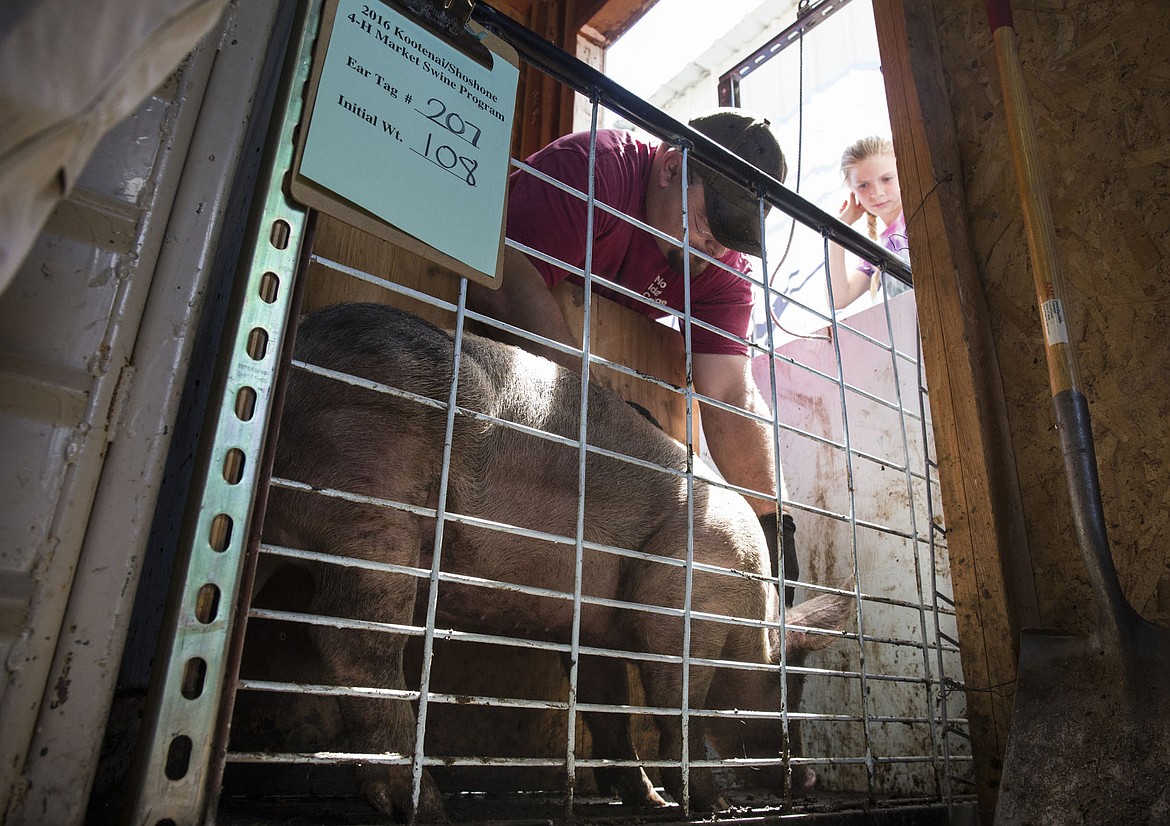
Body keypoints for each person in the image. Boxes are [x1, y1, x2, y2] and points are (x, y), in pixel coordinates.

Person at [466, 108, 800, 605]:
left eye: (728, 240)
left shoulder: (720, 263)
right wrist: (601, 420)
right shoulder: (594, 167)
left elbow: (730, 390)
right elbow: (505, 275)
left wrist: (771, 519)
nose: (712, 248)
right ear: (670, 166)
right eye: (708, 224)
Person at [826, 135, 912, 311]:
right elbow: (838, 299)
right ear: (852, 193)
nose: (877, 192)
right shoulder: (879, 249)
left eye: (886, 179)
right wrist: (839, 229)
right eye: (864, 186)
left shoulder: (923, 220)